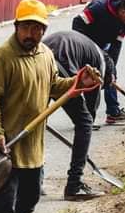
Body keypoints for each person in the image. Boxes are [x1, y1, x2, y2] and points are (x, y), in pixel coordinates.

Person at [0, 0, 100, 213]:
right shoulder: (0, 57)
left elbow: (55, 86)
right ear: (16, 26)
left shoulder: (45, 54)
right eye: (27, 28)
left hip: (33, 142)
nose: (32, 34)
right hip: (6, 143)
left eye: (38, 29)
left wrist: (76, 82)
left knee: (31, 196)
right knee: (3, 201)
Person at [43, 31, 115, 200]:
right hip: (61, 70)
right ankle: (74, 184)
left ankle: (32, 180)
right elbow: (90, 108)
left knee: (36, 122)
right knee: (84, 122)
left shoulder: (89, 46)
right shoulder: (101, 66)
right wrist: (83, 142)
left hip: (40, 62)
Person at [72, 0, 125, 124]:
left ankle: (113, 111)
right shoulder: (98, 8)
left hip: (103, 45)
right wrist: (86, 46)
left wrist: (111, 68)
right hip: (83, 44)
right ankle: (85, 119)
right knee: (91, 79)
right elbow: (77, 23)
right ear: (123, 11)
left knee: (111, 74)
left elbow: (117, 44)